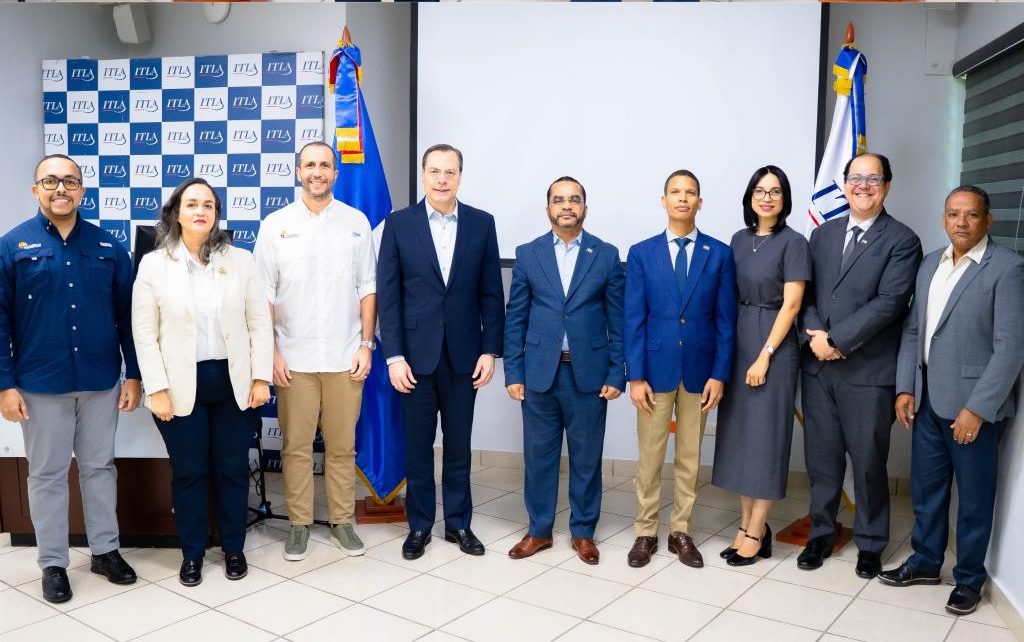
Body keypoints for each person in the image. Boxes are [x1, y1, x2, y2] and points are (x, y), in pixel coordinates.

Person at [0, 154, 141, 603]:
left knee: (100, 468)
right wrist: (4, 385)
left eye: (69, 181)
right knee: (47, 474)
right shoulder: (11, 247)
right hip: (40, 384)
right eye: (50, 181)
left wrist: (134, 375)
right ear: (36, 189)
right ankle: (53, 563)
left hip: (101, 380)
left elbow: (128, 317)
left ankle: (105, 551)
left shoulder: (107, 246)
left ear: (82, 189)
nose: (60, 188)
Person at [880, 186, 1024, 615]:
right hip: (926, 401)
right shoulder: (930, 264)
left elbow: (1011, 348)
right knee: (927, 492)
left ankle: (969, 579)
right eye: (953, 214)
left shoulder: (1008, 268)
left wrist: (977, 409)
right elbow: (913, 330)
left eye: (971, 214)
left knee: (974, 500)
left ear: (987, 220)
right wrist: (906, 386)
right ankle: (926, 562)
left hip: (972, 410)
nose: (961, 222)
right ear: (944, 219)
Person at [133, 178, 273, 586]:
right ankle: (192, 553)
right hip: (178, 387)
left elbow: (259, 323)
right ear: (176, 212)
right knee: (190, 472)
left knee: (232, 470)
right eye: (192, 204)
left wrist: (261, 377)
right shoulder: (154, 265)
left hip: (233, 382)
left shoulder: (241, 261)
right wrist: (156, 389)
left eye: (208, 205)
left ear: (216, 214)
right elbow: (144, 333)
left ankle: (234, 548)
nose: (200, 211)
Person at [377, 143, 505, 560]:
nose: (442, 179)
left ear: (460, 176)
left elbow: (491, 293)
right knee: (417, 447)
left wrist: (490, 351)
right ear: (423, 174)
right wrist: (394, 356)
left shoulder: (482, 224)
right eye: (435, 171)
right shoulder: (399, 224)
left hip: (465, 357)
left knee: (459, 446)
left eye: (450, 172)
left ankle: (458, 523)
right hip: (414, 359)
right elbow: (389, 297)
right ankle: (419, 526)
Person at [798, 153, 922, 578]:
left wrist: (836, 341)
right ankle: (821, 533)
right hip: (818, 370)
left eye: (873, 178)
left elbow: (890, 303)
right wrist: (816, 337)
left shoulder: (902, 240)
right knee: (822, 460)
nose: (863, 186)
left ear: (887, 186)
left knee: (868, 462)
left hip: (868, 374)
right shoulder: (822, 235)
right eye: (855, 178)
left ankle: (870, 543)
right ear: (845, 184)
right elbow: (805, 294)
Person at [254, 141, 378, 561]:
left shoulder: (356, 223)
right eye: (310, 165)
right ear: (298, 172)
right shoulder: (276, 225)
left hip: (346, 357)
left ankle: (342, 522)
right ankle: (299, 525)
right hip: (293, 359)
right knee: (296, 448)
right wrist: (271, 352)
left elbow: (368, 287)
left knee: (342, 448)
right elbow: (264, 293)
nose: (317, 172)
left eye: (325, 165)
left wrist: (366, 344)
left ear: (335, 173)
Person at [503, 176, 624, 565]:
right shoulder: (528, 254)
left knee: (587, 458)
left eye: (574, 199)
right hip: (540, 374)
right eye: (559, 200)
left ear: (585, 207)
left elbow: (617, 320)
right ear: (548, 209)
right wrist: (513, 372)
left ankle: (583, 532)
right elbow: (516, 317)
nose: (567, 206)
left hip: (589, 375)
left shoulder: (605, 255)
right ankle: (539, 530)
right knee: (539, 458)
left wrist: (616, 373)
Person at [624, 169, 737, 569]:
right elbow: (633, 318)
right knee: (650, 457)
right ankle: (645, 531)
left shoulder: (719, 254)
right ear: (664, 201)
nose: (683, 198)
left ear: (699, 202)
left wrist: (720, 374)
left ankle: (681, 531)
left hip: (700, 373)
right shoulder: (642, 253)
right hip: (654, 372)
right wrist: (635, 376)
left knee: (690, 456)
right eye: (676, 192)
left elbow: (726, 321)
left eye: (690, 192)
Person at [712, 166, 810, 566]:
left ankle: (757, 528)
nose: (766, 198)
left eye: (775, 191)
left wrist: (765, 354)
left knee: (766, 440)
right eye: (759, 190)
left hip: (773, 346)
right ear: (750, 197)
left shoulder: (795, 243)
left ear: (785, 198)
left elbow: (792, 304)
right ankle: (745, 524)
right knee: (740, 438)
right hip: (739, 341)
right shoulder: (739, 240)